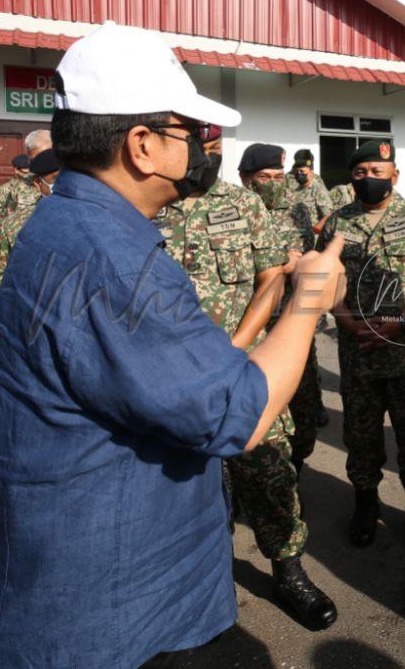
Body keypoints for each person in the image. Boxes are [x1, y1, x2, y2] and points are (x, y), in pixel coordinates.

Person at [0, 22, 345, 668]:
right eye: (189, 133)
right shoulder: (108, 256)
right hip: (103, 608)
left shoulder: (67, 221)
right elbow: (237, 414)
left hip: (101, 571)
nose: (200, 149)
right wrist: (310, 298)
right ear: (142, 144)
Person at [156, 129, 337, 631]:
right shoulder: (149, 204)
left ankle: (288, 569)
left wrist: (237, 347)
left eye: (214, 152)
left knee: (269, 474)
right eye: (199, 151)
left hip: (243, 370)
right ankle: (198, 580)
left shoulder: (243, 205)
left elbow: (272, 277)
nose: (204, 161)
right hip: (169, 379)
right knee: (180, 485)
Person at [316, 139, 405, 553]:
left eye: (377, 172)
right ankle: (365, 500)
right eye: (360, 173)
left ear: (395, 175)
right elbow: (325, 278)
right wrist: (349, 323)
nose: (369, 179)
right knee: (360, 430)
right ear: (351, 177)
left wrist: (404, 320)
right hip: (359, 351)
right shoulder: (337, 224)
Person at [239, 144, 325, 474]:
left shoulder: (298, 209)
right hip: (253, 326)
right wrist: (277, 262)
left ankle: (297, 466)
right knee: (257, 408)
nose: (274, 183)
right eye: (264, 176)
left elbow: (309, 258)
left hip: (292, 323)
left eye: (279, 176)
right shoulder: (234, 209)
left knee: (303, 406)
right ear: (246, 178)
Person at [0, 148, 61, 298]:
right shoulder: (11, 226)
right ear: (38, 182)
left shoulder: (99, 220)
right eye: (57, 179)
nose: (65, 184)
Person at [0, 129, 51, 228]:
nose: (28, 174)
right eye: (24, 171)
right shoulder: (3, 190)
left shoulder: (45, 183)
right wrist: (12, 227)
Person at [288, 148, 334, 225]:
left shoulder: (317, 184)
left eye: (302, 171)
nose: (299, 174)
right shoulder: (287, 179)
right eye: (298, 171)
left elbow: (327, 216)